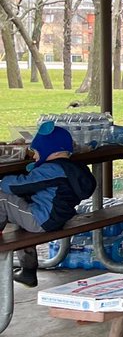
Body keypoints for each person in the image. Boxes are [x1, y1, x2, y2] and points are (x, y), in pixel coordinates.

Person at [2, 123, 95, 287]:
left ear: (49, 149)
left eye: (36, 152)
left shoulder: (51, 169)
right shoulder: (74, 168)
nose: (34, 156)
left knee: (2, 198)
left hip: (41, 220)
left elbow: (15, 186)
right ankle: (28, 271)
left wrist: (5, 179)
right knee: (20, 205)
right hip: (58, 218)